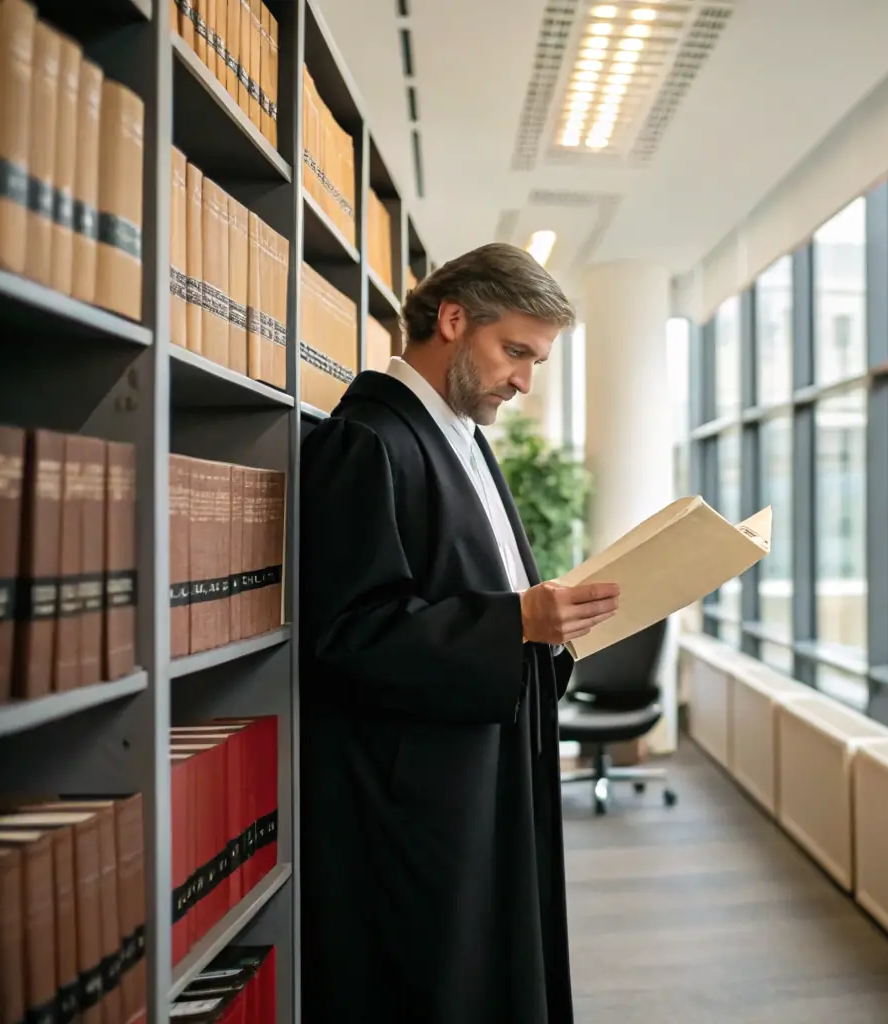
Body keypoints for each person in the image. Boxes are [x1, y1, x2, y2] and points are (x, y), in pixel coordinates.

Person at [296, 242, 619, 1023]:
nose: (522, 380)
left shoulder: (460, 439)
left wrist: (547, 620)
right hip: (419, 796)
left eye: (535, 361)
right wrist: (517, 619)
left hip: (481, 764)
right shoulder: (368, 441)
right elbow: (343, 635)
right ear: (451, 320)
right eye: (514, 352)